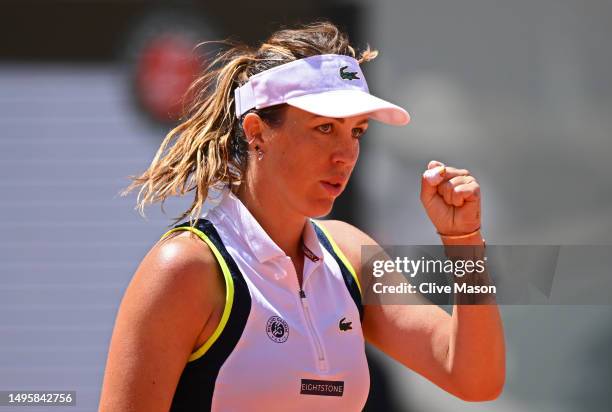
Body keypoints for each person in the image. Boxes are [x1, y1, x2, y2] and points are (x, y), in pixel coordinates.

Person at [99, 21, 505, 412]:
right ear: (257, 131)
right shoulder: (185, 268)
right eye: (325, 128)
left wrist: (463, 239)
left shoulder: (351, 251)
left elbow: (475, 379)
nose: (345, 155)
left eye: (357, 132)